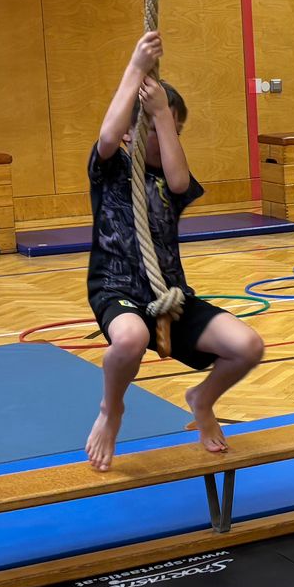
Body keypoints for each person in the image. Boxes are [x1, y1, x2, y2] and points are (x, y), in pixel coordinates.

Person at [85, 30, 266, 471]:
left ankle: (202, 398)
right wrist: (136, 68)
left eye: (176, 131)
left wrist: (163, 117)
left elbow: (181, 181)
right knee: (131, 339)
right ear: (131, 134)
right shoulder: (111, 169)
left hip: (170, 296)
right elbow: (108, 134)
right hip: (117, 289)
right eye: (155, 129)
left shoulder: (173, 179)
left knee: (247, 346)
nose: (167, 137)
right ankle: (111, 409)